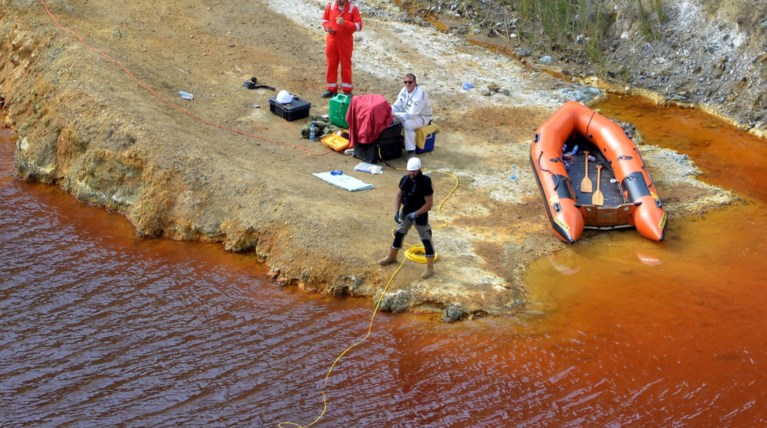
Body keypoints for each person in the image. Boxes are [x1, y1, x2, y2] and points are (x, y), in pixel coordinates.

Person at [378, 157, 436, 279]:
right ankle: (392, 256)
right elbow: (399, 195)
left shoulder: (425, 182)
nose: (411, 173)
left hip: (420, 214)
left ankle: (430, 268)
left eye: (414, 171)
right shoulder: (405, 179)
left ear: (419, 169)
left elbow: (429, 203)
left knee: (426, 240)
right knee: (399, 233)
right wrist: (396, 211)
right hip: (406, 212)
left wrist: (416, 213)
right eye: (410, 171)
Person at [321, 0, 362, 98]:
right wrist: (327, 28)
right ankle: (331, 89)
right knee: (331, 65)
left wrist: (345, 23)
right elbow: (325, 20)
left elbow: (359, 26)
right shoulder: (330, 6)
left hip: (345, 43)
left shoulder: (353, 9)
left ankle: (347, 91)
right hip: (332, 41)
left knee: (346, 66)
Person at [391, 73, 433, 153]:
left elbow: (411, 115)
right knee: (391, 117)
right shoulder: (403, 90)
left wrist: (395, 114)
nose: (407, 84)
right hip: (408, 113)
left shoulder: (419, 96)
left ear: (415, 82)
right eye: (405, 82)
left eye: (410, 82)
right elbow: (397, 105)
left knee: (408, 124)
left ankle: (411, 150)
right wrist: (388, 111)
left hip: (422, 117)